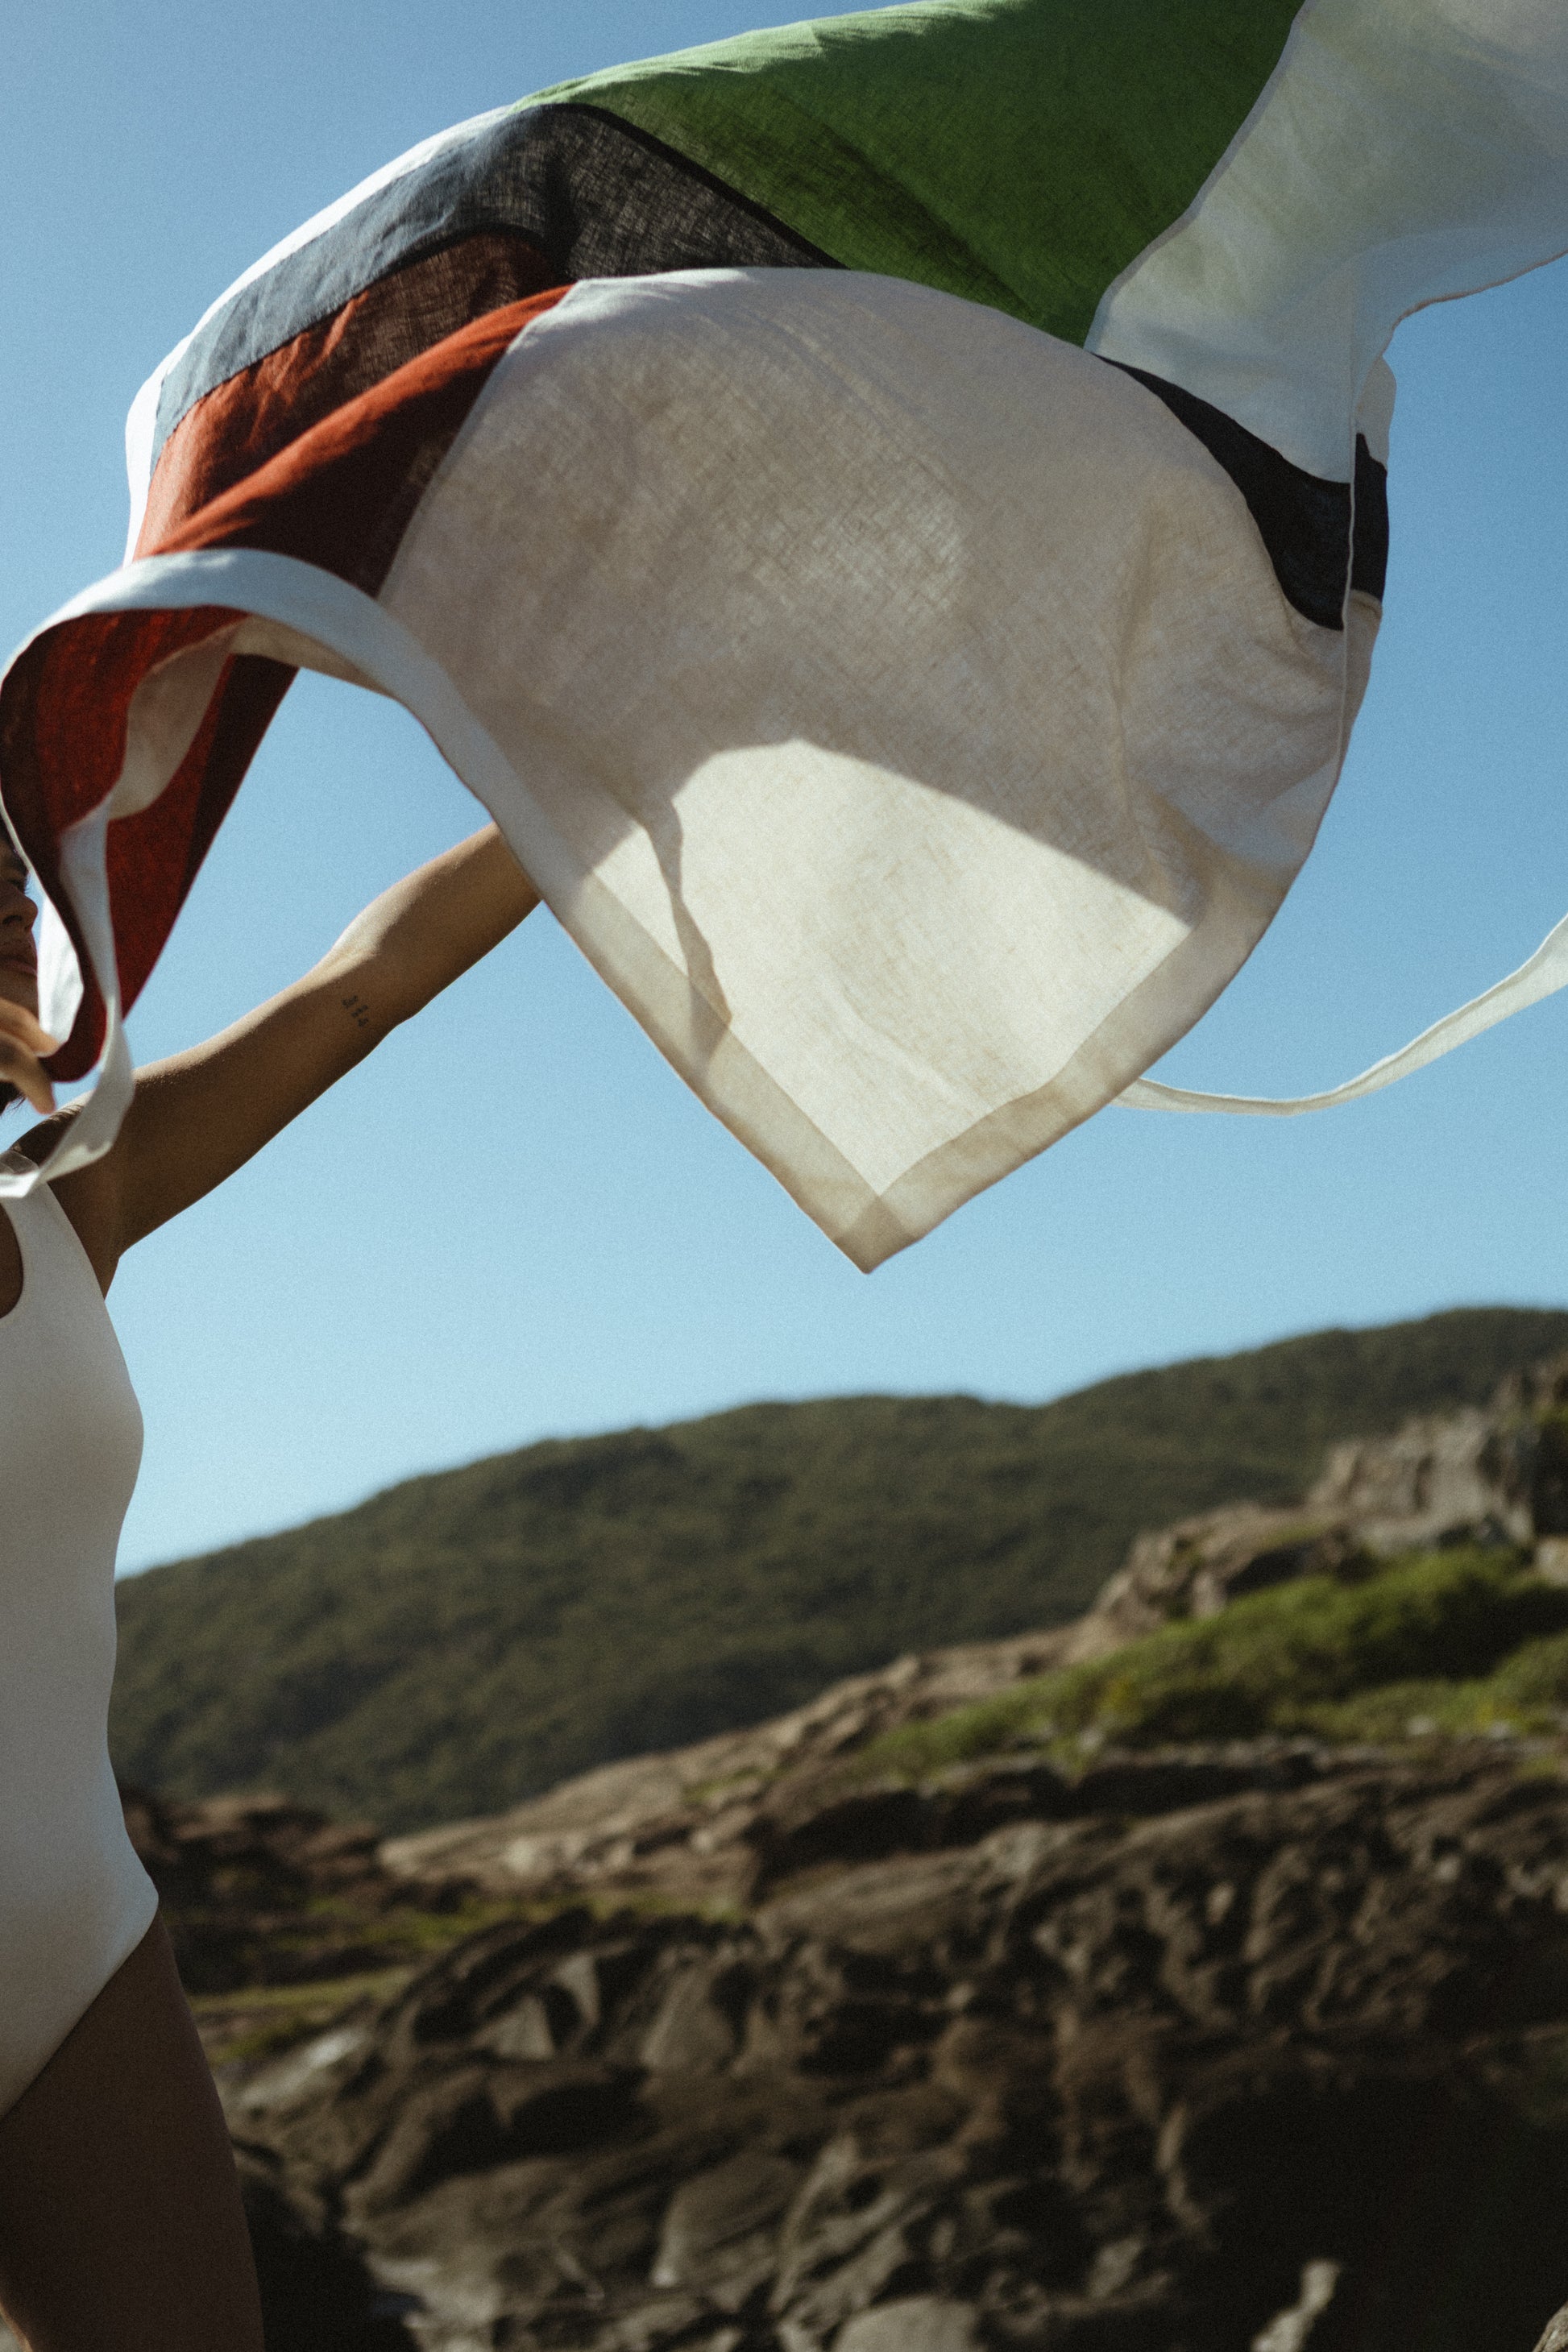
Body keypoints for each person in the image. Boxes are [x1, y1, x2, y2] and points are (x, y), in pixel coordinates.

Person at [0, 819, 538, 2350]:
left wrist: (588, 779)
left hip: (79, 1948)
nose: (23, 904)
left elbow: (372, 976)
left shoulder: (69, 1204)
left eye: (16, 873)